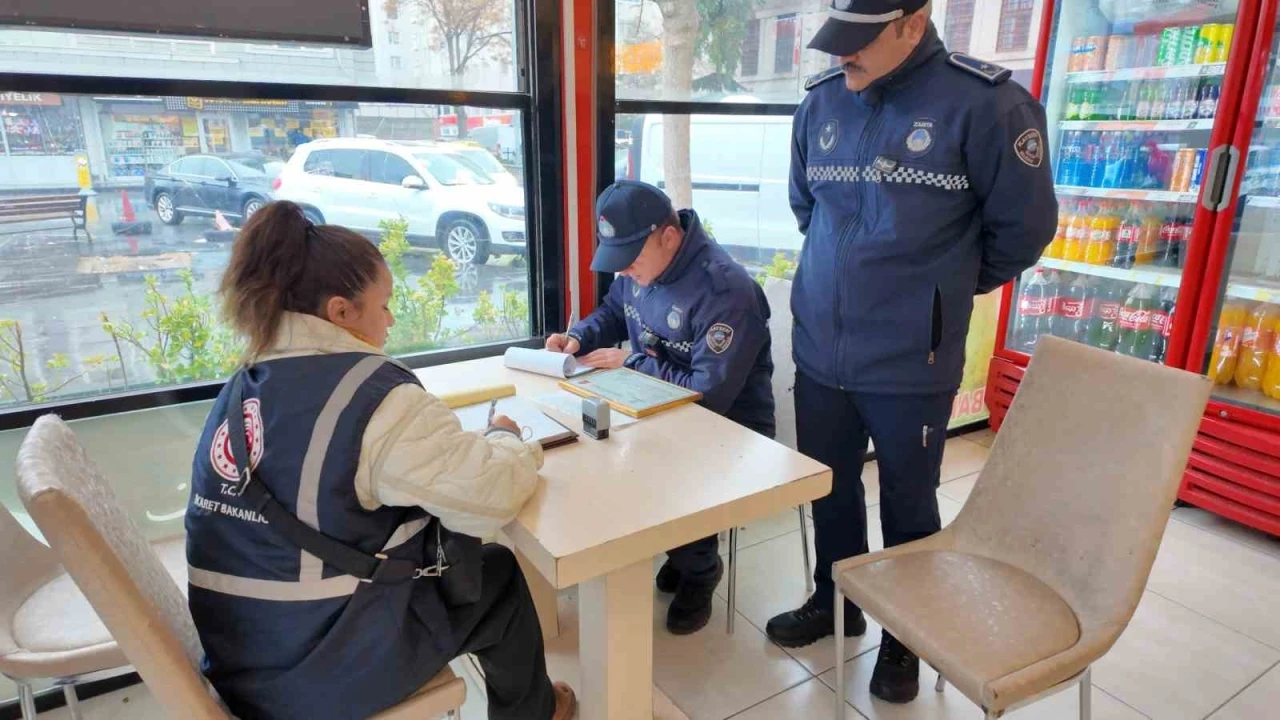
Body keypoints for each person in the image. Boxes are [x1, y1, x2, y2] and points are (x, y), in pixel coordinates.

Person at [763, 0, 1056, 705]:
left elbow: (1024, 231)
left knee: (908, 503)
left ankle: (904, 634)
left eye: (859, 42)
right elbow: (808, 209)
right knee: (828, 488)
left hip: (909, 360)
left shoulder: (989, 106)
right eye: (837, 40)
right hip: (822, 350)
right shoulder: (822, 103)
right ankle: (835, 599)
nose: (842, 56)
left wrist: (938, 292)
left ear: (913, 24)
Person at [184, 201, 576, 720]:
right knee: (497, 574)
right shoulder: (372, 398)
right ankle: (536, 712)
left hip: (242, 657)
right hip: (311, 675)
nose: (390, 320)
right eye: (383, 305)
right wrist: (505, 438)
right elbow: (491, 495)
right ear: (340, 312)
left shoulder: (244, 385)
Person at [545, 180, 775, 634]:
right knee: (591, 452)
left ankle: (700, 568)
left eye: (631, 257)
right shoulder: (640, 270)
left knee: (659, 470)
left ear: (669, 236)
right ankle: (681, 547)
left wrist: (631, 363)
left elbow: (708, 395)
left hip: (728, 427)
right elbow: (614, 312)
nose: (624, 269)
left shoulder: (725, 291)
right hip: (656, 406)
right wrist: (578, 338)